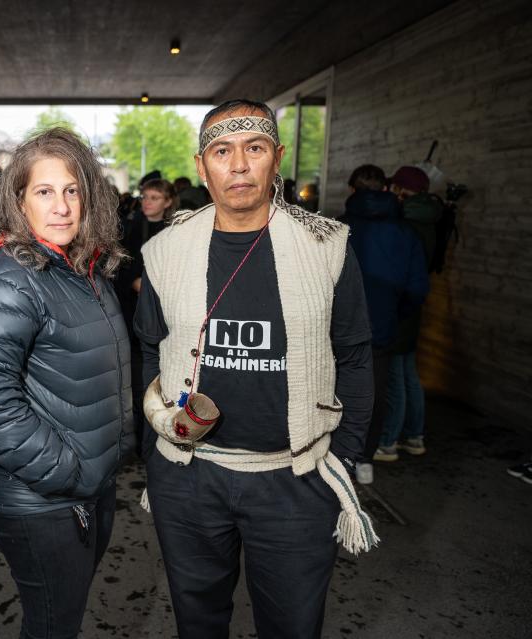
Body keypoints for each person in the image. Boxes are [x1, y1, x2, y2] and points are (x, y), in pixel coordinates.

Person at [135, 99, 379, 639]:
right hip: (190, 476)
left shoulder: (327, 247)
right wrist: (156, 452)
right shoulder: (166, 251)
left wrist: (343, 452)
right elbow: (151, 349)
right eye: (222, 151)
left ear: (278, 158)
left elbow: (357, 356)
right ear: (202, 166)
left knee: (292, 626)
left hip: (294, 479)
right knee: (197, 623)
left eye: (255, 148)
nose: (239, 165)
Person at [0, 127, 133, 639]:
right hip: (46, 500)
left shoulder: (82, 268)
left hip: (88, 487)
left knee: (63, 620)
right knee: (54, 626)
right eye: (43, 191)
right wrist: (70, 472)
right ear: (19, 201)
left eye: (71, 190)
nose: (60, 206)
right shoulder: (8, 276)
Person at [340, 165, 429, 483]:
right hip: (381, 328)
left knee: (332, 392)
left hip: (335, 330)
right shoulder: (407, 234)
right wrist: (394, 313)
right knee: (373, 396)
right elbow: (417, 289)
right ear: (385, 190)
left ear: (352, 189)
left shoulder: (335, 229)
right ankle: (363, 460)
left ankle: (331, 458)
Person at [382, 165, 445, 457]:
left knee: (395, 376)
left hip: (399, 307)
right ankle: (415, 435)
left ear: (401, 190)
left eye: (395, 187)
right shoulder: (429, 218)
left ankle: (388, 441)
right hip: (413, 305)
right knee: (408, 373)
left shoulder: (408, 223)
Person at [115, 178, 177, 456]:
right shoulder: (129, 228)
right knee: (140, 378)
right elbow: (119, 264)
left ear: (167, 202)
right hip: (135, 310)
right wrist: (135, 282)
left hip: (168, 311)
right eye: (145, 197)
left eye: (154, 197)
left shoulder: (176, 230)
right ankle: (140, 441)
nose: (147, 202)